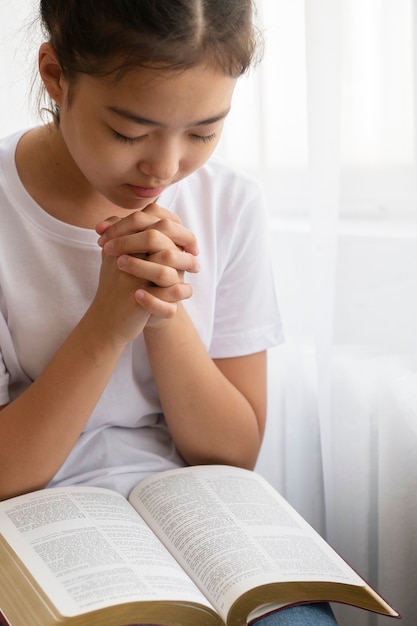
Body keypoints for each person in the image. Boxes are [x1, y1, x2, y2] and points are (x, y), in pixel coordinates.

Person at [0, 1, 338, 624]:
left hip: (193, 516)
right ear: (55, 76)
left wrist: (163, 308)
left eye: (204, 132)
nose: (165, 167)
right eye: (129, 133)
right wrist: (107, 323)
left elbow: (233, 452)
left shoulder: (230, 203)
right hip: (30, 520)